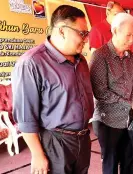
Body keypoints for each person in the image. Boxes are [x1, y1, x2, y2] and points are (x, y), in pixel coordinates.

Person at [12, 5, 94, 174]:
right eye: (82, 33)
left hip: (83, 138)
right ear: (62, 31)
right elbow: (26, 117)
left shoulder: (81, 62)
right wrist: (37, 154)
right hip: (55, 143)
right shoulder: (32, 63)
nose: (86, 38)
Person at [90, 13, 133, 174]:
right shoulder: (100, 56)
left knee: (129, 161)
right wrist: (130, 103)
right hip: (108, 122)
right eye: (128, 35)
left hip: (129, 119)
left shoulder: (131, 57)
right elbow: (101, 93)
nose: (131, 40)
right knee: (111, 165)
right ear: (114, 31)